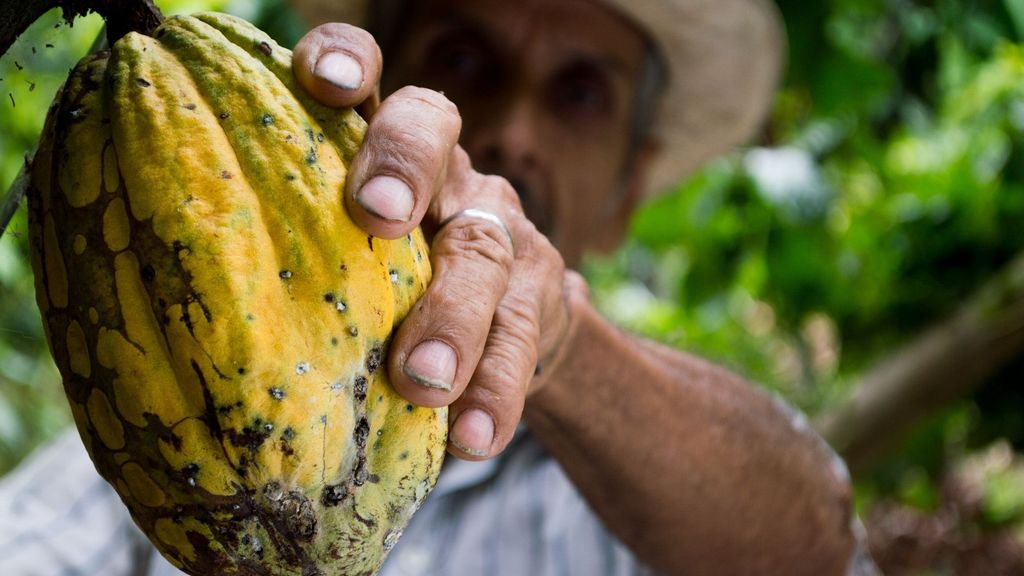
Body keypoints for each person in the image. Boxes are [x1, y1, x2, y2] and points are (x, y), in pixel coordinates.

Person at [0, 0, 879, 574]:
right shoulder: (157, 419)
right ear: (355, 97)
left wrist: (558, 342)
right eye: (463, 56)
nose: (510, 129)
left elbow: (814, 543)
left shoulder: (643, 503)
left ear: (629, 190)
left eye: (579, 93)